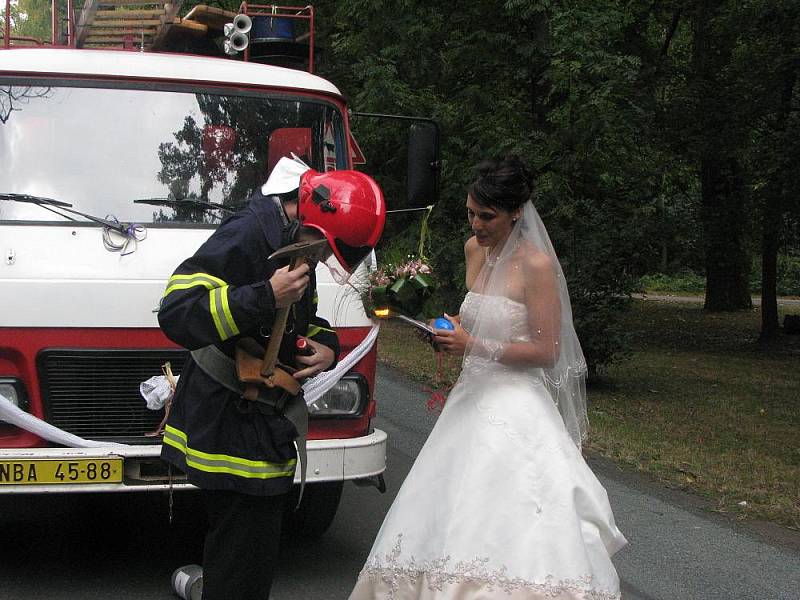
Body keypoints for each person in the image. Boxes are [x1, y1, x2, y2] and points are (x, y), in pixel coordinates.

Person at [349, 156, 627, 599]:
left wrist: (473, 346)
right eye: (470, 213)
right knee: (446, 506)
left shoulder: (535, 266)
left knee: (509, 512)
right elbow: (475, 315)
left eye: (487, 216)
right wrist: (444, 329)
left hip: (515, 401)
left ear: (516, 212)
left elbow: (547, 349)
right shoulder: (473, 250)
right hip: (470, 399)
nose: (476, 225)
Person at [159, 157, 385, 600]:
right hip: (228, 425)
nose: (319, 259)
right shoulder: (247, 235)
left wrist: (326, 347)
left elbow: (298, 319)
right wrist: (265, 294)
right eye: (322, 248)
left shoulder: (292, 240)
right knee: (241, 563)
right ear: (312, 221)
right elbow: (177, 311)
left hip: (257, 426)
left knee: (247, 559)